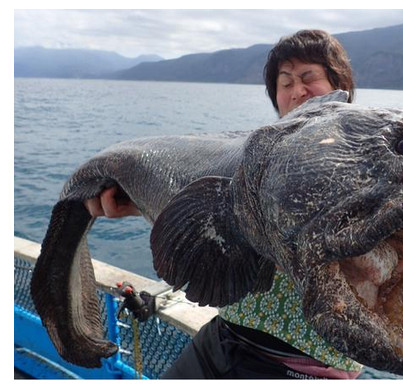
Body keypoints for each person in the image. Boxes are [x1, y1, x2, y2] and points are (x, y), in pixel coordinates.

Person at [86, 30, 361, 379]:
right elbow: (226, 218)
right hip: (225, 336)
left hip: (301, 366)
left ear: (341, 86)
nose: (297, 92)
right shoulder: (258, 162)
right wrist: (140, 202)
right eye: (285, 82)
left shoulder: (362, 163)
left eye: (309, 78)